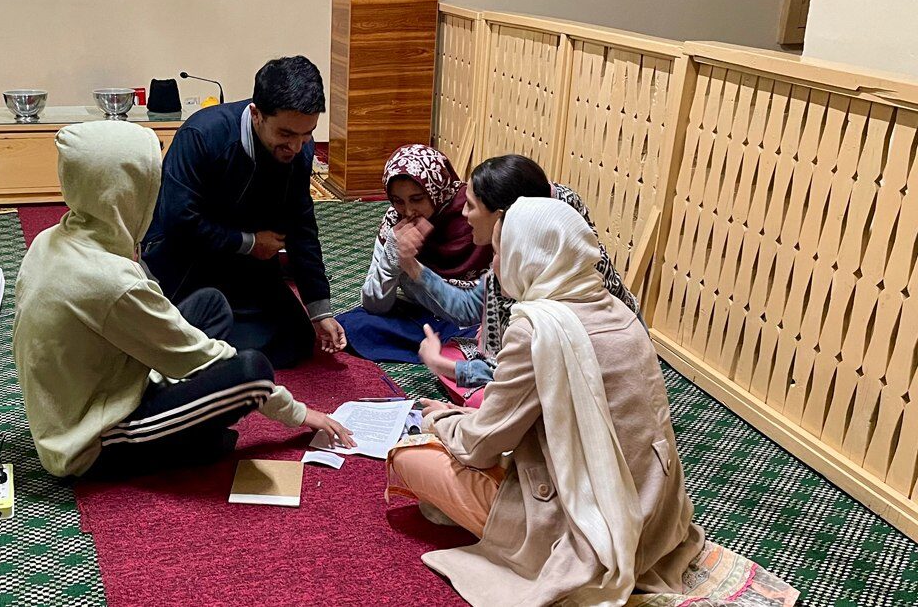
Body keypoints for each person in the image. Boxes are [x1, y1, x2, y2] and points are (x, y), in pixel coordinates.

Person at [385, 199, 797, 607]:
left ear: (527, 256)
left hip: (585, 523)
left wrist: (442, 422)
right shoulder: (617, 307)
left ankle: (523, 538)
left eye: (499, 253)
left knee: (408, 457)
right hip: (659, 517)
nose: (494, 266)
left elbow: (480, 446)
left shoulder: (537, 327)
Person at [13, 121, 353, 478]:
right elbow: (201, 354)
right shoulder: (108, 280)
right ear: (124, 190)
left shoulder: (51, 239)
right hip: (87, 440)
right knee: (254, 375)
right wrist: (301, 413)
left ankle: (187, 428)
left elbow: (142, 314)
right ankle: (173, 441)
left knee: (210, 305)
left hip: (85, 390)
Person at [142, 55, 344, 369]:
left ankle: (201, 344)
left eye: (307, 134)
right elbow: (179, 221)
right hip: (187, 259)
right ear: (256, 115)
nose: (296, 147)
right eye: (286, 135)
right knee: (211, 335)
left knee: (298, 339)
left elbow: (302, 227)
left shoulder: (300, 150)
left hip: (249, 262)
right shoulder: (202, 136)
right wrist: (249, 242)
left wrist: (321, 311)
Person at [399, 154, 641, 399]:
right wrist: (411, 266)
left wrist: (439, 365)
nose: (463, 213)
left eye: (471, 205)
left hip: (592, 391)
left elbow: (512, 375)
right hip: (579, 370)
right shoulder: (536, 247)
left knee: (483, 398)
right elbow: (472, 305)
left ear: (502, 216)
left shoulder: (542, 291)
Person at [336, 144, 490, 363]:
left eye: (417, 199)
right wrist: (393, 255)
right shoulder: (395, 221)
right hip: (417, 314)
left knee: (485, 340)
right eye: (398, 201)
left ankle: (445, 351)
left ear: (436, 188)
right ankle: (441, 352)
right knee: (349, 326)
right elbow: (374, 304)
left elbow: (482, 303)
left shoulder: (473, 213)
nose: (408, 211)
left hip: (467, 317)